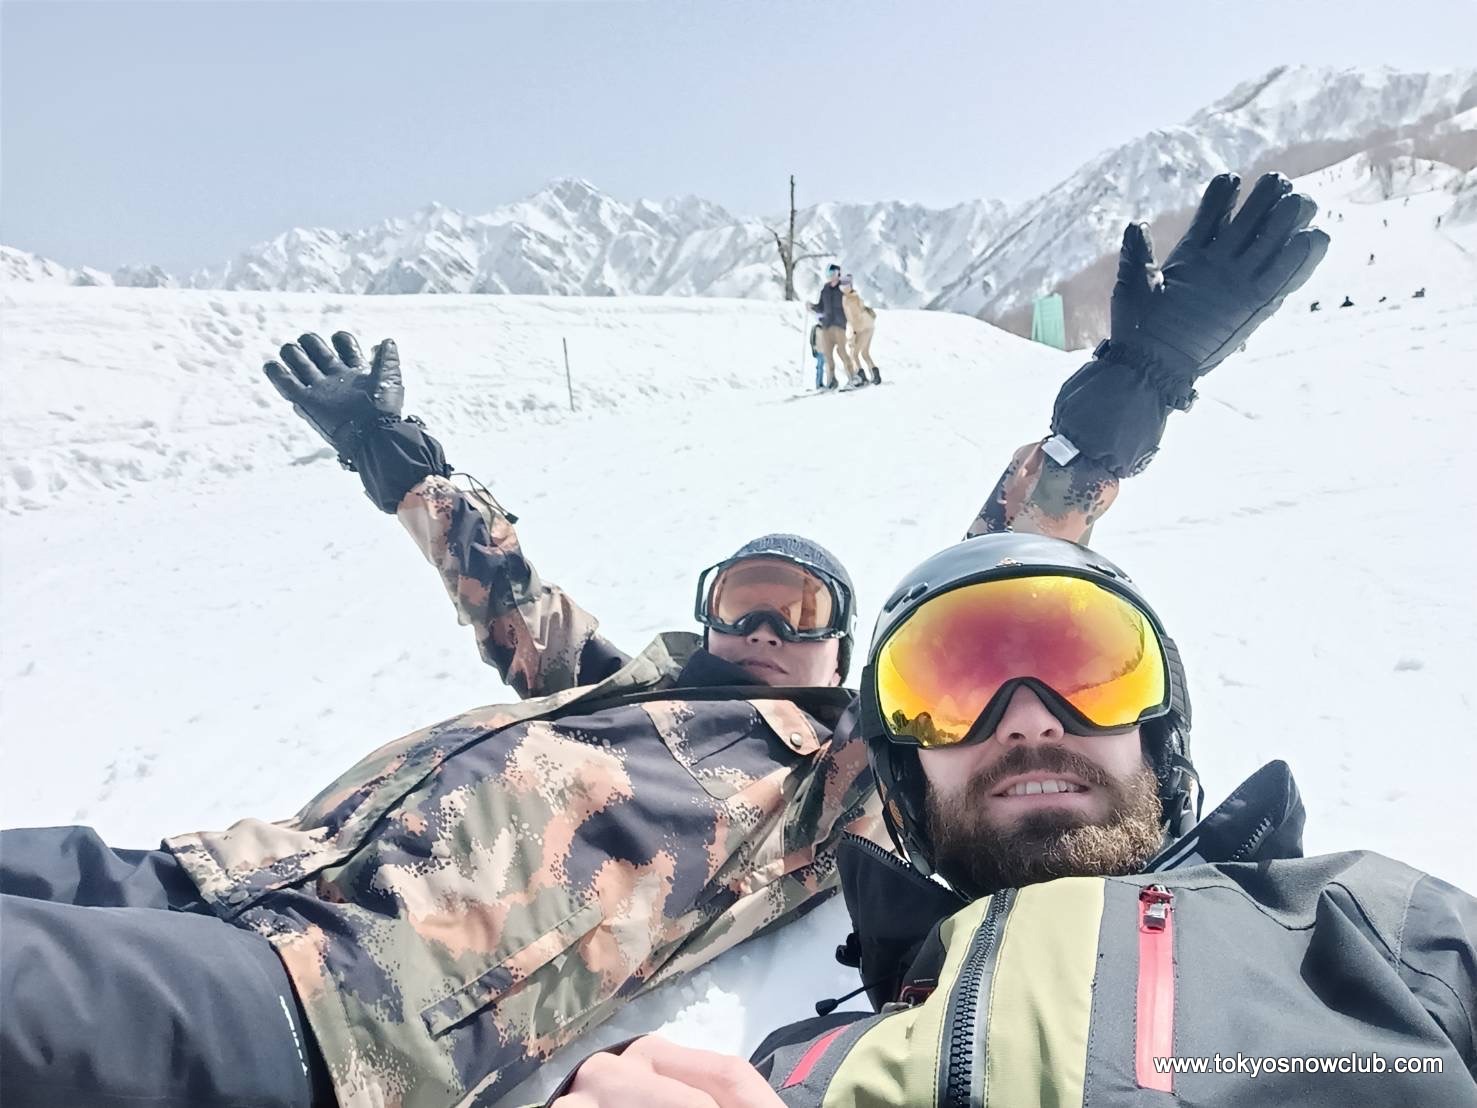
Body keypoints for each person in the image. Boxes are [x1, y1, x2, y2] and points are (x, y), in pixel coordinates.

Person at [0, 171, 1328, 1108]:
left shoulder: (831, 773)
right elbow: (509, 597)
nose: (757, 627)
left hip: (338, 1000)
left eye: (797, 613)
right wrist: (396, 456)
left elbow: (992, 582)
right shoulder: (622, 688)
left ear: (850, 660)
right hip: (217, 874)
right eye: (739, 600)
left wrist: (1118, 407)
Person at [551, 532, 1477, 1106]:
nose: (1029, 721)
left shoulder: (1370, 928)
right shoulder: (805, 1068)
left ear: (1159, 736)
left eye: (1086, 678)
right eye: (954, 700)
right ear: (904, 779)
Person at [807, 264, 858, 389]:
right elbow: (821, 307)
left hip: (839, 325)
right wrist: (812, 307)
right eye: (829, 274)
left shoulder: (842, 289)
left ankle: (853, 377)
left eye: (833, 274)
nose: (831, 277)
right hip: (827, 326)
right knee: (827, 355)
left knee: (841, 352)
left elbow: (850, 301)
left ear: (838, 274)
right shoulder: (825, 289)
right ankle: (831, 381)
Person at [840, 275, 882, 386]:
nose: (844, 287)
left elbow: (854, 318)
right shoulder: (855, 296)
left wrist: (853, 335)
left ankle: (861, 377)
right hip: (869, 326)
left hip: (862, 329)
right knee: (864, 353)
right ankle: (876, 375)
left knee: (854, 354)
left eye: (846, 285)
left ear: (850, 285)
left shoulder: (848, 300)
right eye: (842, 285)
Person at [809, 312, 826, 389]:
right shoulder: (815, 328)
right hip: (818, 350)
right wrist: (813, 348)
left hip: (824, 351)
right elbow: (812, 339)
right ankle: (818, 384)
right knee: (819, 367)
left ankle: (821, 383)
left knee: (822, 368)